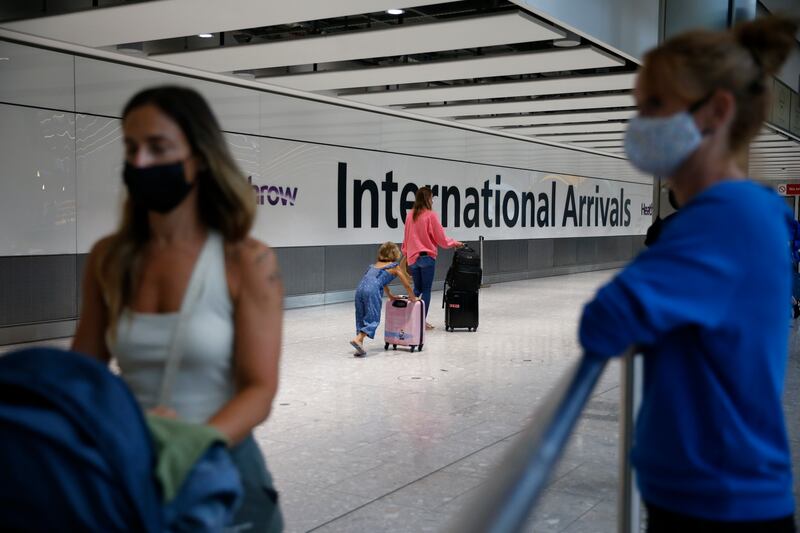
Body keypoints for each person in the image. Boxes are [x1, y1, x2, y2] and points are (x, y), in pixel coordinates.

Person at [578, 15, 797, 532]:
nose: (641, 123)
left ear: (715, 111)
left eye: (654, 106)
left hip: (716, 508)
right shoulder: (751, 211)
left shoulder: (720, 222)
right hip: (710, 496)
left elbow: (606, 321)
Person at [71, 86, 283, 532]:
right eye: (131, 148)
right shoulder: (109, 259)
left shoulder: (248, 261)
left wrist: (189, 442)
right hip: (136, 470)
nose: (141, 162)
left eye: (159, 147)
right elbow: (81, 375)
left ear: (201, 157)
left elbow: (259, 389)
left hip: (222, 467)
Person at [401, 187, 463, 329]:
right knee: (427, 290)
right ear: (428, 199)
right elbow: (440, 238)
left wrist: (406, 253)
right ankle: (421, 321)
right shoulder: (430, 215)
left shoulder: (409, 215)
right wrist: (454, 243)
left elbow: (406, 237)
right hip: (426, 257)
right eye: (432, 198)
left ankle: (410, 319)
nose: (433, 200)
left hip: (412, 258)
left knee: (416, 289)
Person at [350, 242, 417, 356]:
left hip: (360, 289)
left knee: (361, 316)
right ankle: (358, 338)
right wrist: (413, 298)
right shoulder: (394, 266)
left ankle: (359, 343)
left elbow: (381, 281)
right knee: (373, 317)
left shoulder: (374, 265)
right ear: (395, 254)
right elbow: (406, 285)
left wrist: (390, 295)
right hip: (372, 291)